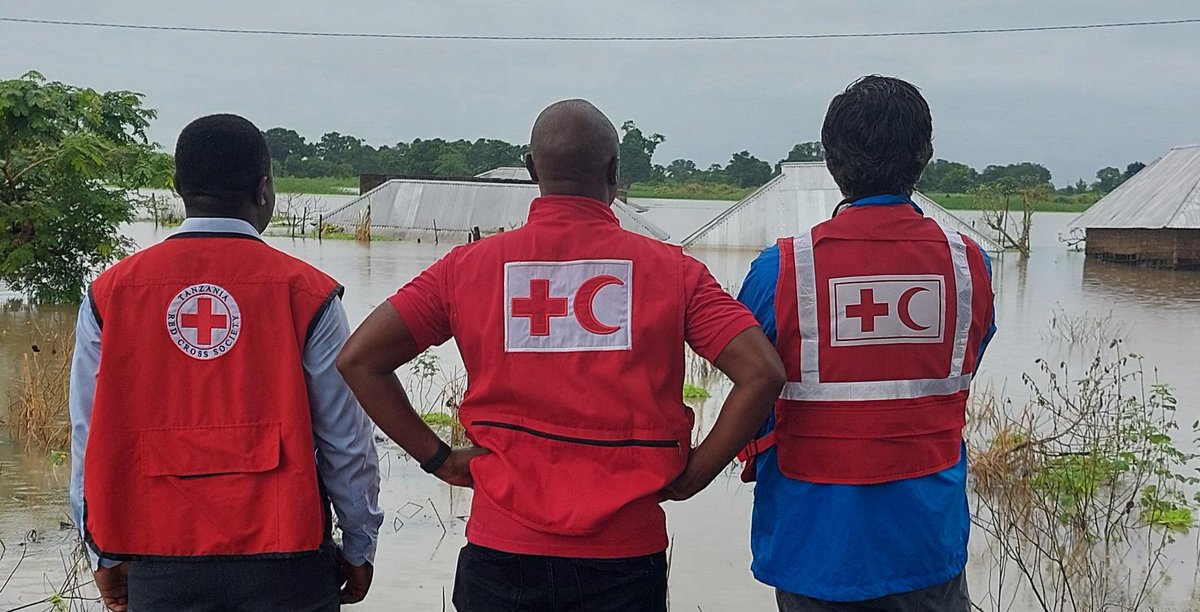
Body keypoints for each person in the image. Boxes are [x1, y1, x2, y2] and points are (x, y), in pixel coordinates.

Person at [337, 99, 785, 612]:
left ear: (531, 171)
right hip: (625, 557)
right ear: (615, 172)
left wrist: (438, 459)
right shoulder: (674, 273)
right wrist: (694, 474)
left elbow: (359, 359)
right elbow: (762, 373)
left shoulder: (467, 268)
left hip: (500, 553)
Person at [68, 114, 384, 612]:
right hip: (288, 565)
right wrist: (360, 544)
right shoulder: (308, 294)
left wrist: (102, 556)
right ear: (264, 189)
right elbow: (347, 441)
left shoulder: (111, 294)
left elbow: (87, 438)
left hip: (159, 560)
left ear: (177, 188)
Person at [736, 76, 996, 611]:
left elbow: (749, 378)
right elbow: (964, 362)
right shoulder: (969, 265)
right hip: (926, 541)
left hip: (814, 547)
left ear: (833, 163)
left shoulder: (782, 269)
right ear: (924, 155)